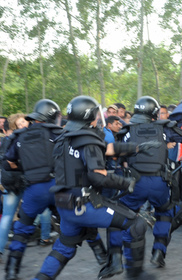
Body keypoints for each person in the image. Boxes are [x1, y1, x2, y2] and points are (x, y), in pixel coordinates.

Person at [33, 95, 149, 280]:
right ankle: (136, 275)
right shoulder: (88, 140)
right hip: (85, 206)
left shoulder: (65, 138)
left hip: (66, 206)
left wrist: (136, 147)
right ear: (90, 116)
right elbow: (97, 176)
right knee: (136, 225)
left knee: (64, 247)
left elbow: (107, 149)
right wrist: (126, 183)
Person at [112, 96, 182, 269]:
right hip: (160, 182)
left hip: (134, 182)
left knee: (124, 218)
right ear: (154, 112)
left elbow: (117, 158)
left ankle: (124, 258)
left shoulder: (125, 130)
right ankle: (159, 252)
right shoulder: (164, 128)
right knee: (164, 215)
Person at [3, 100, 63, 280]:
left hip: (34, 188)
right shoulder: (58, 133)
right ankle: (104, 257)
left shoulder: (20, 136)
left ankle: (11, 272)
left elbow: (9, 162)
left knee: (21, 231)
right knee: (74, 229)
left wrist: (26, 169)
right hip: (58, 187)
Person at [0, 113, 29, 262]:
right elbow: (9, 162)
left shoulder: (5, 140)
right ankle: (45, 237)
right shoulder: (22, 139)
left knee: (7, 215)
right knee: (39, 208)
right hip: (18, 179)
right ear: (14, 127)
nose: (24, 124)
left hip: (9, 180)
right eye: (20, 123)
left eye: (24, 121)